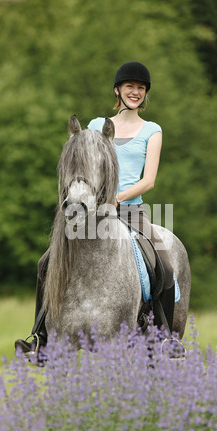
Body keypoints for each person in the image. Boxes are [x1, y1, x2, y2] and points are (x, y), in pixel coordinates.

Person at [15, 61, 175, 357]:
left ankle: (165, 338)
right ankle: (40, 337)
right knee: (45, 263)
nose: (135, 92)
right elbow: (81, 166)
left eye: (141, 88)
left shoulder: (152, 130)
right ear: (118, 90)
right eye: (130, 87)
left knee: (163, 265)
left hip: (130, 211)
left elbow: (149, 180)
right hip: (89, 213)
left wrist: (118, 198)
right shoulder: (95, 127)